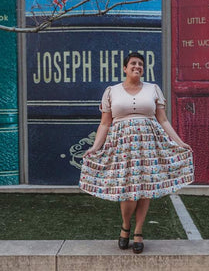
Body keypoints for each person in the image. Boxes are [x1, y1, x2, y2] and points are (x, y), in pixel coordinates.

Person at [79, 52, 194, 254]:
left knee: (145, 188)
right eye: (133, 63)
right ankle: (125, 225)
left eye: (140, 64)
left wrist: (179, 142)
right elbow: (105, 123)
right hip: (122, 147)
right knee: (128, 191)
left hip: (148, 147)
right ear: (125, 68)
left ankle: (139, 231)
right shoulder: (111, 91)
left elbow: (163, 120)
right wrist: (95, 147)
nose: (137, 66)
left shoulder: (153, 89)